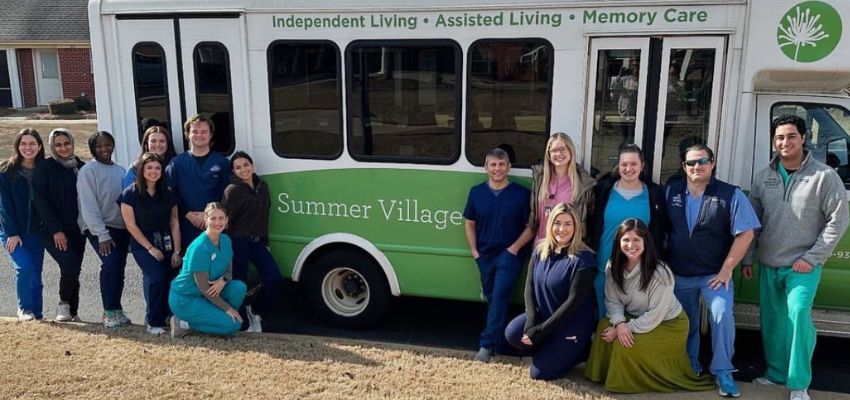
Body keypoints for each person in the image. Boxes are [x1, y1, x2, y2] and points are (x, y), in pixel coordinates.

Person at [744, 114, 849, 400]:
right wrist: (748, 258)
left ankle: (799, 382)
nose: (785, 142)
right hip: (768, 263)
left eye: (791, 136)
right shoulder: (763, 177)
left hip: (802, 265)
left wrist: (813, 257)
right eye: (779, 137)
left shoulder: (824, 176)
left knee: (799, 316)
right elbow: (753, 223)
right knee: (774, 323)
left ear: (804, 138)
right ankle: (776, 374)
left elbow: (838, 221)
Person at [665, 143, 760, 398]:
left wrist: (727, 269)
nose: (697, 166)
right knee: (684, 321)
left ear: (712, 163)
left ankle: (722, 371)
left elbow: (746, 232)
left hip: (713, 275)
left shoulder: (730, 194)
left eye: (702, 161)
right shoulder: (671, 191)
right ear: (684, 167)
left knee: (720, 314)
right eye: (691, 163)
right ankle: (689, 364)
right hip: (680, 274)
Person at [585, 218, 714, 393]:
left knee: (626, 344)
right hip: (635, 319)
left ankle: (625, 382)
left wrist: (623, 329)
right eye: (626, 240)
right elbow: (613, 300)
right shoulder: (613, 267)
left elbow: (654, 315)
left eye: (636, 240)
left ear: (646, 241)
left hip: (668, 324)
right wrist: (619, 324)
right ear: (618, 242)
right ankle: (602, 375)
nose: (631, 245)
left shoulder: (660, 273)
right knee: (603, 327)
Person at [504, 203, 597, 380]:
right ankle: (552, 349)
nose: (562, 229)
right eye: (557, 223)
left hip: (570, 326)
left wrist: (540, 332)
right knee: (513, 333)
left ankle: (582, 351)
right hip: (545, 319)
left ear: (576, 227)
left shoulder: (584, 260)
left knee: (539, 373)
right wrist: (532, 323)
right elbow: (529, 289)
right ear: (550, 225)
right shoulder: (540, 251)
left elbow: (571, 304)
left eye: (568, 224)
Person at [464, 148, 533, 363]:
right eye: (493, 165)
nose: (497, 169)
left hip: (509, 257)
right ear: (486, 168)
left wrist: (514, 249)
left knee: (500, 298)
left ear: (509, 167)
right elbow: (469, 222)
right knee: (494, 300)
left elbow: (531, 226)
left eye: (502, 164)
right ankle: (503, 343)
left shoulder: (521, 194)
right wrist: (474, 251)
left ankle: (486, 346)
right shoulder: (476, 193)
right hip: (484, 256)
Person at [586, 144, 666, 319]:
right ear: (618, 166)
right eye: (624, 164)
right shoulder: (603, 190)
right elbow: (591, 224)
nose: (628, 169)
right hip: (604, 268)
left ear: (642, 166)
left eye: (633, 164)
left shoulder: (654, 194)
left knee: (634, 322)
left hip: (640, 271)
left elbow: (659, 231)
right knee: (604, 318)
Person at [119, 152, 182, 335]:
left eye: (157, 168)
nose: (153, 171)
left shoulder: (167, 193)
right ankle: (153, 321)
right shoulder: (130, 194)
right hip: (143, 244)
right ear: (141, 170)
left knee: (172, 278)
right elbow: (130, 225)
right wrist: (150, 248)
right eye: (149, 167)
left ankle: (169, 318)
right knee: (156, 277)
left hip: (167, 242)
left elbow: (174, 222)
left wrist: (177, 251)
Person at [222, 151, 284, 333]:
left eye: (246, 165)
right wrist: (224, 248)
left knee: (273, 278)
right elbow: (225, 222)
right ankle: (241, 323)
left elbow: (266, 214)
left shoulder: (262, 186)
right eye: (238, 167)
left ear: (252, 166)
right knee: (238, 283)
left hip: (257, 242)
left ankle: (255, 311)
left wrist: (265, 241)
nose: (243, 170)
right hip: (238, 242)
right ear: (233, 171)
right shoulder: (232, 191)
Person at [77, 131, 132, 328]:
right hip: (98, 229)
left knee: (118, 268)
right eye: (99, 146)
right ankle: (109, 312)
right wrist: (101, 234)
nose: (104, 149)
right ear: (93, 149)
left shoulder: (120, 170)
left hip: (120, 228)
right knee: (111, 264)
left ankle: (116, 310)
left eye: (107, 145)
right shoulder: (88, 171)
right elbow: (88, 204)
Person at [169, 202, 247, 337]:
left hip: (207, 293)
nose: (217, 222)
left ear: (227, 220)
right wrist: (227, 308)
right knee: (234, 325)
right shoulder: (199, 248)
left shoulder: (226, 239)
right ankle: (182, 323)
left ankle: (215, 320)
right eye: (213, 218)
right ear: (205, 219)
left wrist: (223, 280)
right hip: (187, 299)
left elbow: (229, 269)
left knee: (239, 287)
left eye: (221, 218)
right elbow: (204, 288)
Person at [33, 128, 86, 322]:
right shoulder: (45, 167)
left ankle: (73, 312)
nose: (63, 148)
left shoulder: (80, 166)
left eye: (66, 143)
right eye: (58, 145)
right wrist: (56, 230)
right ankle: (63, 304)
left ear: (72, 143)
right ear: (52, 147)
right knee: (69, 264)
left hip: (77, 229)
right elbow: (40, 201)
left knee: (74, 269)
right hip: (51, 230)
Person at [0, 128, 46, 321]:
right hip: (12, 232)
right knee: (24, 267)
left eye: (32, 143)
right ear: (17, 146)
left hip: (36, 232)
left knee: (36, 274)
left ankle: (37, 314)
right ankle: (24, 308)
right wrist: (11, 233)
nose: (28, 147)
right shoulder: (6, 170)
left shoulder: (45, 169)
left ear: (40, 146)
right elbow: (4, 205)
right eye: (24, 143)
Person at [167, 115, 231, 250]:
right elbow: (170, 193)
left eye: (204, 132)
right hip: (186, 225)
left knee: (215, 266)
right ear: (187, 134)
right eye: (194, 132)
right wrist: (188, 214)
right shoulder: (176, 164)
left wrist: (208, 215)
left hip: (214, 225)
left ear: (211, 135)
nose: (199, 135)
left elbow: (227, 194)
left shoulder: (222, 163)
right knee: (190, 265)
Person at [528, 132, 595, 245]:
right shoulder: (540, 179)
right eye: (554, 150)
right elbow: (534, 219)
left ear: (571, 151)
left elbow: (589, 220)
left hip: (569, 250)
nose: (559, 153)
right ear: (548, 154)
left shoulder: (583, 183)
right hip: (541, 247)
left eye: (563, 149)